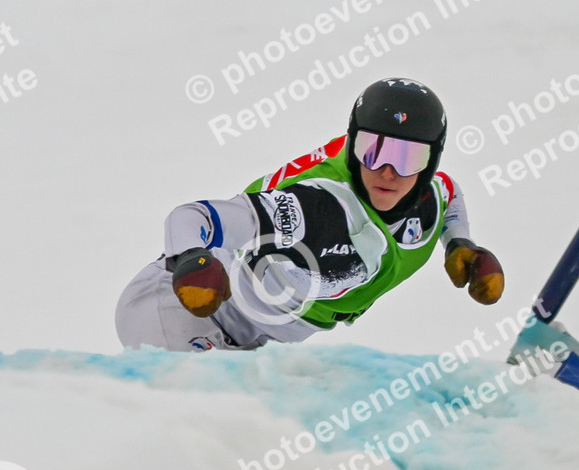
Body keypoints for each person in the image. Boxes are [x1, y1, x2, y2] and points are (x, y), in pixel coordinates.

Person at [115, 77, 504, 352]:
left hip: (258, 342)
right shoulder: (314, 207)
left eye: (408, 158)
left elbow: (451, 195)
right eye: (372, 151)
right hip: (177, 307)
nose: (387, 172)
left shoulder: (431, 197)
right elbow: (190, 216)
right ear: (353, 145)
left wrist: (459, 242)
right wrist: (189, 258)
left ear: (430, 163)